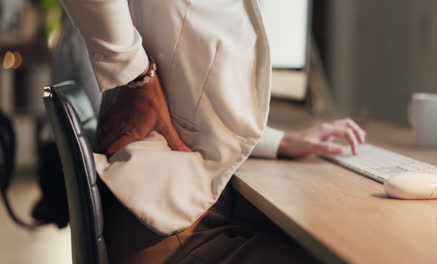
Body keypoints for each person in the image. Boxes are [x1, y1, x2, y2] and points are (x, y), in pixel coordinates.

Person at [58, 0, 366, 263]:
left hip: (177, 199)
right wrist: (135, 74)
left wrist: (277, 141)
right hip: (169, 222)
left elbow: (193, 84)